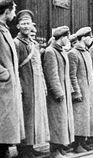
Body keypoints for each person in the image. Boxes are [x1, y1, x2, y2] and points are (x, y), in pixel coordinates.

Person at [14, 10, 49, 158]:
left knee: (35, 117)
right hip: (25, 85)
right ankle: (23, 149)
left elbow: (39, 67)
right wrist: (19, 86)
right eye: (23, 23)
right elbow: (14, 67)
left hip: (36, 85)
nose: (26, 26)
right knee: (26, 116)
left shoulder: (34, 44)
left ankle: (31, 145)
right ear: (18, 26)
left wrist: (44, 85)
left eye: (28, 23)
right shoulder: (16, 43)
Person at [68, 27, 93, 152]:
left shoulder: (86, 52)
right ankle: (77, 144)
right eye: (89, 36)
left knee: (87, 117)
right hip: (81, 90)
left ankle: (83, 142)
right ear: (82, 38)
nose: (90, 39)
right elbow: (72, 75)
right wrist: (76, 92)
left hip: (89, 89)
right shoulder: (73, 53)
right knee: (79, 118)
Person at [43, 26, 75, 158]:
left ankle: (60, 147)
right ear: (61, 38)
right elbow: (52, 75)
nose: (68, 40)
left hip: (64, 91)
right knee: (56, 121)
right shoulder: (51, 51)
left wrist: (69, 90)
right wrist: (58, 92)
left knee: (62, 121)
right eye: (67, 37)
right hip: (57, 94)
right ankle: (54, 150)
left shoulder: (61, 51)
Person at [0, 1, 24, 157]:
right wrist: (4, 74)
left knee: (5, 131)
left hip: (7, 88)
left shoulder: (4, 30)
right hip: (3, 87)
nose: (15, 15)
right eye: (14, 11)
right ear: (7, 12)